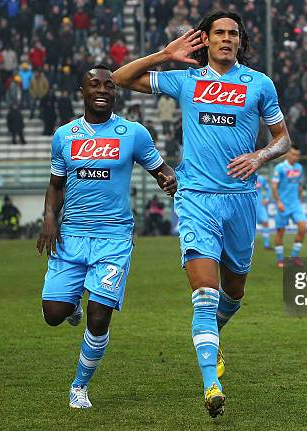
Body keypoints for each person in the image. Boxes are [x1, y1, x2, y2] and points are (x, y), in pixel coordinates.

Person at [112, 11, 291, 418]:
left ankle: (215, 337)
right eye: (219, 33)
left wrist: (260, 155)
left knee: (235, 292)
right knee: (204, 295)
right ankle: (211, 383)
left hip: (241, 200)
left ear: (240, 41)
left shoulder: (258, 84)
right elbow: (121, 78)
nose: (226, 39)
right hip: (195, 198)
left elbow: (283, 139)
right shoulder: (187, 80)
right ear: (206, 40)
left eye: (233, 34)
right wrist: (165, 54)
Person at [36, 64, 177, 410]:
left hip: (113, 238)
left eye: (109, 86)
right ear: (81, 92)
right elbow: (56, 185)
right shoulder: (64, 136)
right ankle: (71, 307)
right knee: (53, 314)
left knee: (100, 317)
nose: (102, 90)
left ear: (116, 93)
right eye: (94, 84)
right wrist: (49, 220)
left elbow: (161, 169)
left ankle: (79, 387)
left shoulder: (133, 133)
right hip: (71, 236)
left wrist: (168, 180)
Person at [272, 146, 306, 268]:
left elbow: (299, 184)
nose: (295, 157)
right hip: (283, 205)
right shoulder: (280, 168)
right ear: (287, 154)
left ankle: (294, 256)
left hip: (295, 204)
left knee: (303, 228)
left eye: (297, 155)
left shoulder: (299, 168)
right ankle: (280, 259)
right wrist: (278, 202)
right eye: (293, 154)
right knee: (281, 232)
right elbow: (274, 186)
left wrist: (301, 195)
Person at [255, 174, 272, 249]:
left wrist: (267, 199)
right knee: (249, 225)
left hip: (260, 205)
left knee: (265, 222)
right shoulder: (243, 177)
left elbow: (268, 189)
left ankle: (266, 244)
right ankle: (248, 245)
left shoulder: (261, 178)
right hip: (249, 204)